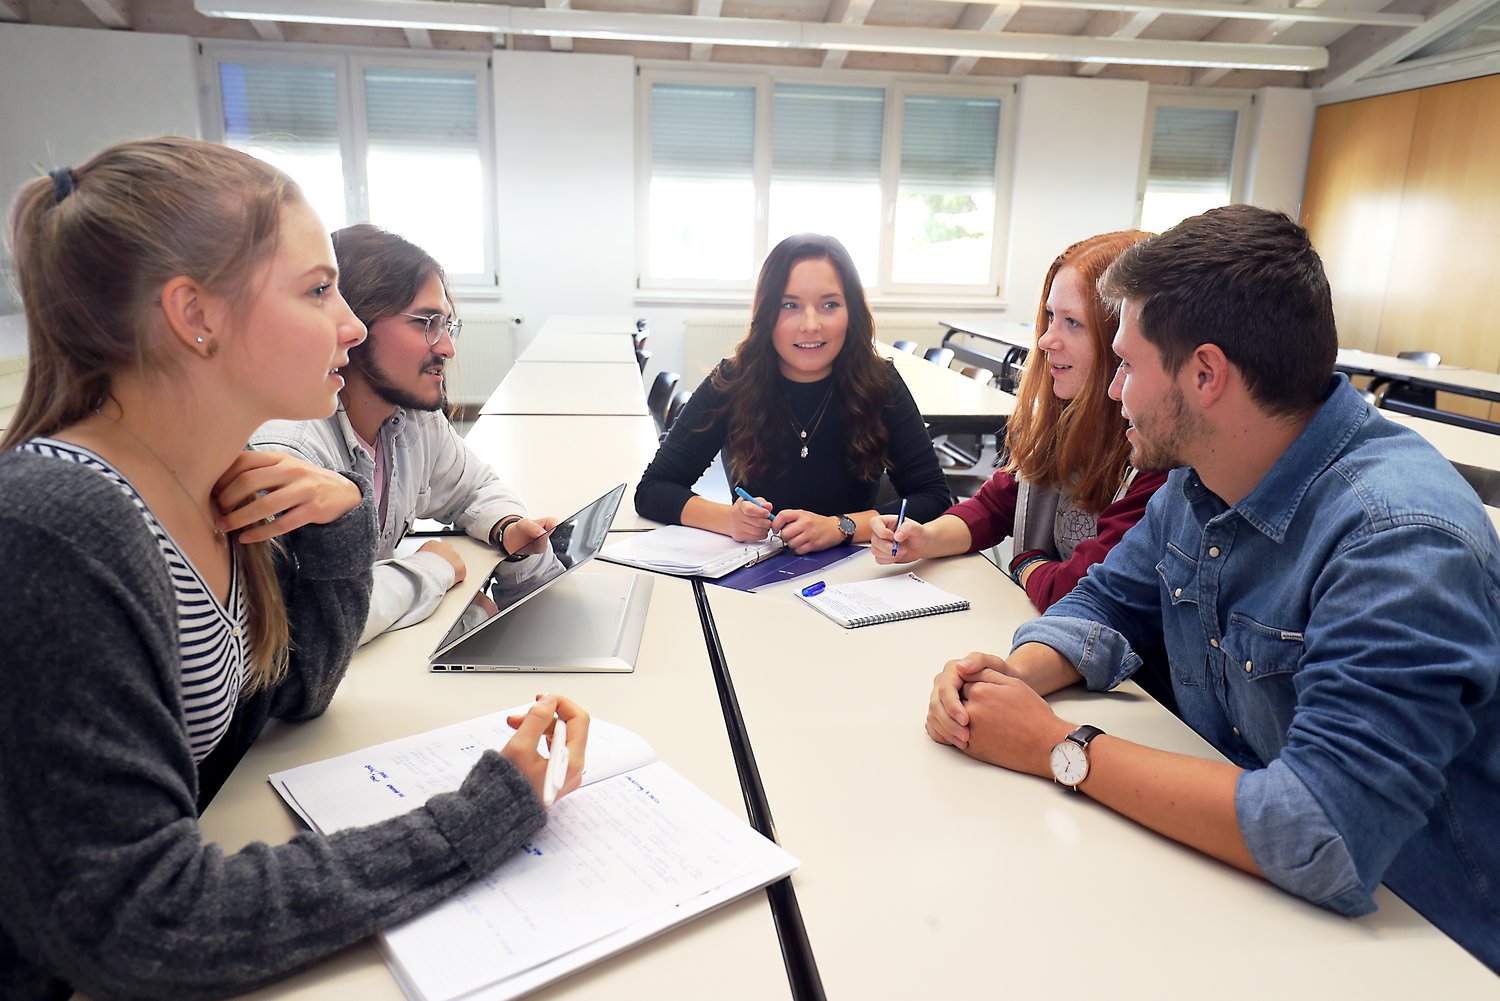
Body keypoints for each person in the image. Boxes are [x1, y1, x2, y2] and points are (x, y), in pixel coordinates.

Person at [0, 137, 589, 1001]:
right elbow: (141, 921)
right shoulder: (60, 527)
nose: (350, 326)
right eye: (319, 291)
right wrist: (480, 814)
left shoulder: (221, 483)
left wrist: (339, 524)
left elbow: (296, 691)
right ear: (194, 315)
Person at [924, 205, 1500, 972]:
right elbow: (1103, 603)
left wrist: (1059, 747)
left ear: (1205, 374)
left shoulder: (1399, 541)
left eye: (1128, 366)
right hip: (1254, 902)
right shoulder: (1202, 481)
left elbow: (1319, 826)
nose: (1111, 390)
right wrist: (1004, 682)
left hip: (1422, 949)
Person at [252, 224, 555, 645]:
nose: (447, 347)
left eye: (448, 325)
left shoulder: (410, 417)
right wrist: (432, 569)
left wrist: (505, 525)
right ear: (353, 323)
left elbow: (475, 487)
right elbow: (302, 624)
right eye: (427, 323)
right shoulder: (290, 450)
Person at [869, 230, 1167, 611]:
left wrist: (1024, 562)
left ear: (1121, 335)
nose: (1045, 340)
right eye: (1049, 317)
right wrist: (923, 537)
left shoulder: (1156, 455)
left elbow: (1076, 586)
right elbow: (994, 506)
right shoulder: (1063, 420)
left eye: (1073, 323)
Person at [635, 233, 949, 553]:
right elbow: (653, 490)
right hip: (755, 568)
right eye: (790, 305)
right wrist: (728, 519)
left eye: (829, 304)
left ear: (850, 312)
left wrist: (842, 526)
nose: (810, 324)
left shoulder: (881, 384)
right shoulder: (733, 381)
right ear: (766, 314)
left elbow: (933, 498)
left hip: (855, 573)